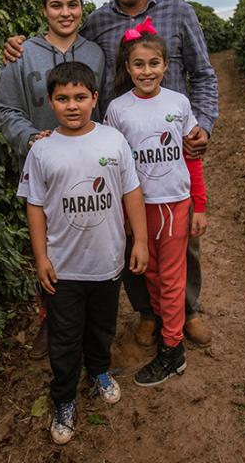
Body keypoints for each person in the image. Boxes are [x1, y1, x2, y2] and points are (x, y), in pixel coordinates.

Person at [4, 0, 218, 348]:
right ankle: (146, 311)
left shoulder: (179, 12)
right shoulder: (99, 21)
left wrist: (204, 125)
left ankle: (186, 309)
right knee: (127, 234)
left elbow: (205, 74)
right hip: (121, 150)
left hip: (172, 149)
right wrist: (18, 45)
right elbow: (62, 38)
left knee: (179, 237)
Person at [18, 61, 148, 445]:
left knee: (102, 327)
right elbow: (35, 206)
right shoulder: (42, 151)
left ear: (94, 98)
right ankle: (63, 399)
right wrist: (41, 258)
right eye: (62, 99)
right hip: (64, 268)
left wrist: (139, 240)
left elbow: (131, 192)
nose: (71, 105)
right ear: (50, 102)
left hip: (107, 263)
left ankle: (99, 371)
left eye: (79, 97)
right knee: (64, 335)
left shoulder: (113, 141)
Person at [0, 0, 105, 359]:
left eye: (72, 5)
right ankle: (51, 316)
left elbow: (100, 107)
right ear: (44, 10)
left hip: (89, 169)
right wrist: (30, 138)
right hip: (45, 170)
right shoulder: (22, 54)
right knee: (47, 245)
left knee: (87, 236)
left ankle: (92, 317)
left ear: (82, 8)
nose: (65, 12)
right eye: (56, 5)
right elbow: (6, 109)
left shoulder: (95, 53)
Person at [105, 20, 207, 386]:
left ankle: (173, 349)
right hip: (139, 206)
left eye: (153, 63)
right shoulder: (117, 110)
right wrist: (122, 214)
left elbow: (192, 156)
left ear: (165, 66)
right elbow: (116, 165)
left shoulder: (178, 102)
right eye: (138, 64)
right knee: (147, 270)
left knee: (171, 276)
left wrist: (201, 204)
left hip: (174, 204)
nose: (146, 71)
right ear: (127, 68)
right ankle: (167, 327)